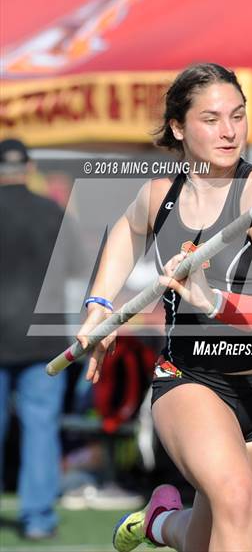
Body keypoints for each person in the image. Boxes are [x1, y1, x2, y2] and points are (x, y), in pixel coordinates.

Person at [77, 63, 252, 552]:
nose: (229, 131)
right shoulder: (158, 196)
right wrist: (100, 305)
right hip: (191, 378)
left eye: (237, 115)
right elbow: (125, 233)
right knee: (236, 502)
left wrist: (216, 302)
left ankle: (159, 523)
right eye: (211, 119)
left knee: (207, 534)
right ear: (178, 127)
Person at [0, 139, 78, 539]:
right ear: (29, 167)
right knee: (41, 429)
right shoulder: (52, 212)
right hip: (43, 339)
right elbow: (76, 267)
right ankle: (38, 518)